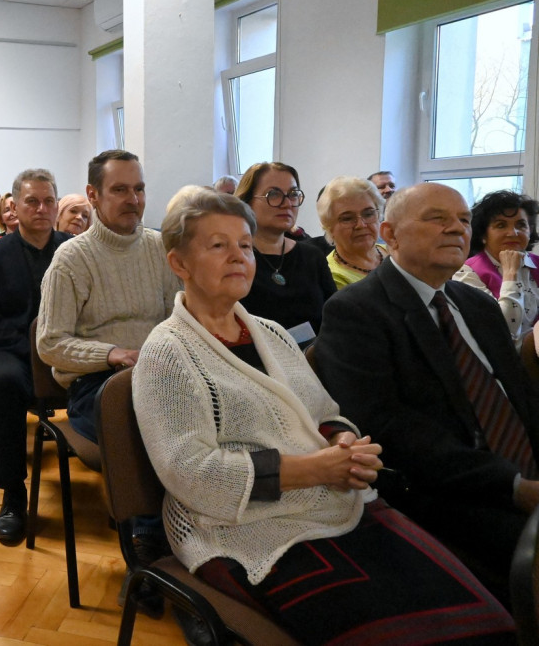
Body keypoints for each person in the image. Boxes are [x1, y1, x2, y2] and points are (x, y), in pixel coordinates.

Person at [133, 186, 514, 644]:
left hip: (330, 497)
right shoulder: (166, 353)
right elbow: (190, 474)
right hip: (238, 528)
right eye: (219, 246)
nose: (239, 257)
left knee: (479, 618)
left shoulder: (269, 333)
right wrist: (313, 468)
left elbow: (324, 412)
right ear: (180, 264)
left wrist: (343, 446)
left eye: (246, 246)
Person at [315, 183, 539, 604]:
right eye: (437, 218)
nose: (456, 229)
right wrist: (513, 485)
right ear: (390, 234)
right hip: (449, 494)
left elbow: (522, 400)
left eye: (463, 221)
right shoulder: (356, 311)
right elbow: (389, 429)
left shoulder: (477, 305)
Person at [38, 149, 179, 445]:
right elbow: (50, 343)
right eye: (119, 190)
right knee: (151, 432)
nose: (134, 200)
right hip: (97, 382)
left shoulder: (160, 248)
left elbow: (177, 322)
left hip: (158, 373)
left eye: (138, 189)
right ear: (93, 194)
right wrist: (112, 354)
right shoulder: (71, 259)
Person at [0, 169, 71, 546]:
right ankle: (13, 494)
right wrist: (36, 351)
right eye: (32, 201)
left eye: (49, 201)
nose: (42, 208)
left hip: (69, 350)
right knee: (1, 381)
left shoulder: (73, 249)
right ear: (14, 206)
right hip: (13, 349)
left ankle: (120, 496)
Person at [235, 162, 335, 341]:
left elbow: (334, 318)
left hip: (315, 361)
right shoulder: (234, 258)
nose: (287, 203)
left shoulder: (312, 256)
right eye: (273, 194)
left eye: (293, 194)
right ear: (247, 202)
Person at [453, 190, 539, 350]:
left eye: (521, 225)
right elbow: (503, 331)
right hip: (497, 365)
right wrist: (510, 275)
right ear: (483, 234)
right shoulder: (467, 273)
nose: (513, 233)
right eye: (501, 225)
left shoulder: (537, 264)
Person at [316, 176, 388, 288]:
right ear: (329, 227)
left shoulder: (395, 253)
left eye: (368, 214)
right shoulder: (331, 276)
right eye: (347, 218)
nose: (361, 225)